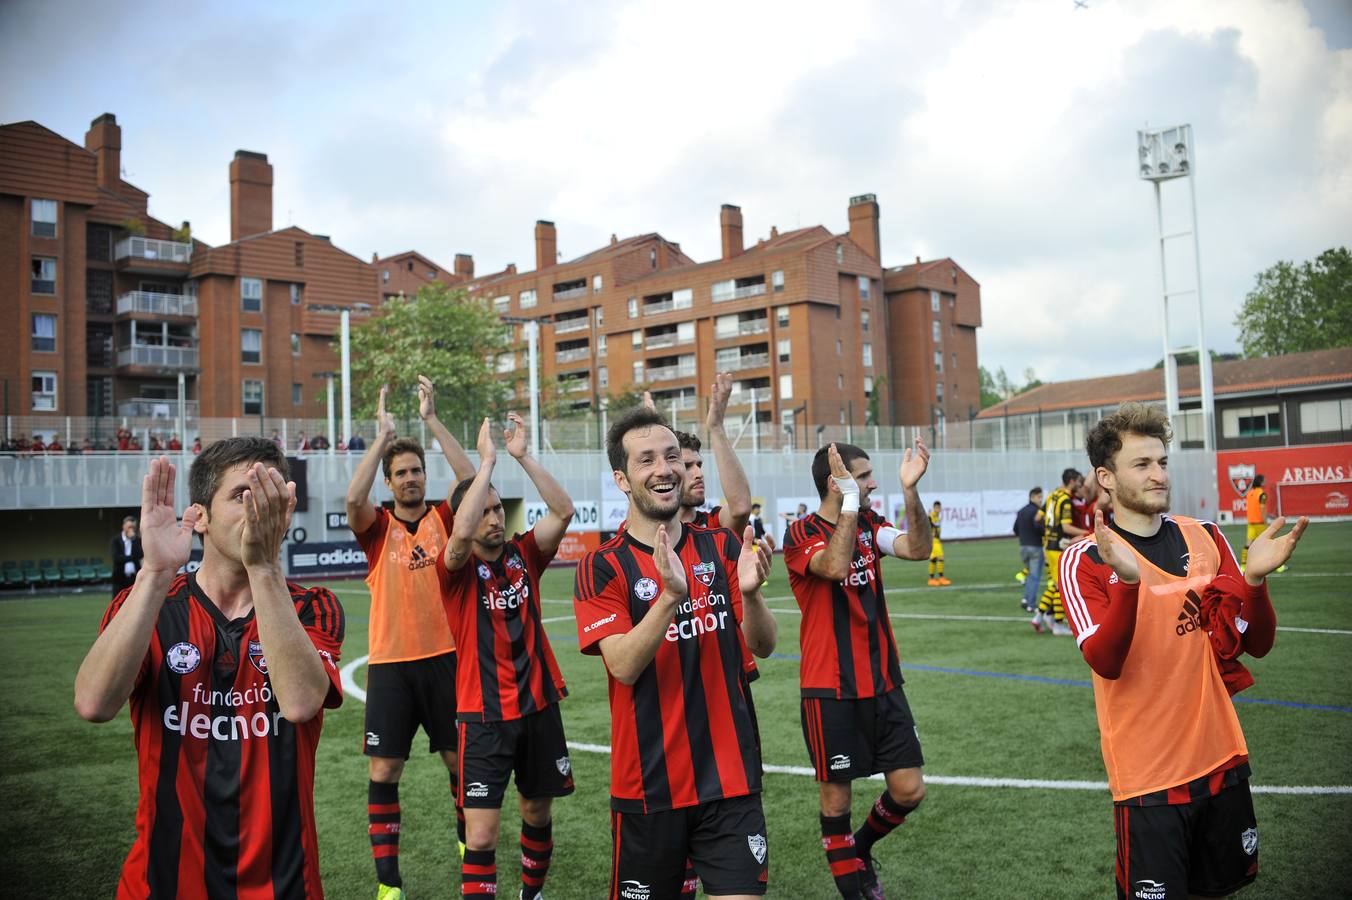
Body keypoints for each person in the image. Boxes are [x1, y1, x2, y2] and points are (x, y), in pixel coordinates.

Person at [74, 441, 345, 897]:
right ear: (200, 517)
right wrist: (155, 573)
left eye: (270, 493)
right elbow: (93, 703)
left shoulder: (313, 607)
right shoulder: (148, 606)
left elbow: (299, 704)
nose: (258, 505)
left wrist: (264, 569)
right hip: (161, 883)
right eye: (242, 493)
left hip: (284, 885)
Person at [1061, 402, 1306, 899]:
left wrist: (1255, 582)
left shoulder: (1207, 537)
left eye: (1162, 462)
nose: (1159, 475)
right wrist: (1128, 584)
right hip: (1148, 779)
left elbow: (1257, 644)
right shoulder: (1085, 561)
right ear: (1105, 478)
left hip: (1223, 758)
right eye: (1142, 464)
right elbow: (1105, 662)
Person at [573, 406, 777, 900]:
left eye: (671, 457)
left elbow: (763, 644)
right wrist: (669, 598)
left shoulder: (721, 546)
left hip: (730, 779)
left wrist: (750, 596)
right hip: (649, 788)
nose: (664, 469)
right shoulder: (601, 566)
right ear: (622, 479)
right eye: (646, 461)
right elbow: (622, 665)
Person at [783, 440, 933, 900]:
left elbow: (916, 548)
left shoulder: (870, 522)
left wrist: (911, 492)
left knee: (909, 791)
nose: (872, 483)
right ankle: (855, 887)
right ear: (838, 482)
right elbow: (834, 564)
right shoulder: (800, 532)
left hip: (884, 679)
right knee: (836, 803)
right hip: (831, 690)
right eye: (864, 476)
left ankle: (860, 849)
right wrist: (850, 502)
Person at [347, 377, 475, 900]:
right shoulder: (376, 528)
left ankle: (471, 842)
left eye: (416, 470)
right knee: (385, 768)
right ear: (390, 481)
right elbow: (353, 495)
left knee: (458, 762)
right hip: (391, 667)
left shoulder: (445, 517)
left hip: (447, 659)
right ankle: (389, 884)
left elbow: (471, 475)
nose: (410, 479)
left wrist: (430, 421)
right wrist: (383, 436)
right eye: (400, 473)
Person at [439, 414, 575, 900]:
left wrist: (521, 457)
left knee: (538, 815)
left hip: (539, 709)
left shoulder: (524, 554)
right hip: (483, 719)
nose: (495, 518)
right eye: (485, 510)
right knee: (481, 836)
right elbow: (457, 541)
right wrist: (486, 463)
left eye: (499, 509)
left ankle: (530, 894)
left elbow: (563, 511)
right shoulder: (454, 572)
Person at [1032, 468, 1087, 635]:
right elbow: (1066, 527)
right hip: (1058, 547)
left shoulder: (1052, 495)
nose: (1080, 484)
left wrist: (1049, 531)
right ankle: (1057, 624)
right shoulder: (1065, 500)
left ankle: (1040, 617)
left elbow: (1038, 518)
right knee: (1061, 587)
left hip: (1048, 545)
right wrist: (1088, 533)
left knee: (1055, 585)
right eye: (1078, 481)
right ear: (1071, 481)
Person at [1241, 475, 1286, 574]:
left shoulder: (1250, 493)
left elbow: (1254, 508)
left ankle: (1243, 566)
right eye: (1264, 480)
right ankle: (1278, 566)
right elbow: (1261, 509)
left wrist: (1268, 515)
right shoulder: (1262, 494)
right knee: (1270, 542)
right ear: (1261, 482)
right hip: (1260, 523)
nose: (1265, 481)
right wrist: (1266, 521)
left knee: (1248, 543)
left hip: (1251, 522)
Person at [1013, 488, 1045, 612]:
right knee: (1034, 577)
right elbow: (1038, 527)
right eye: (1039, 497)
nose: (1041, 499)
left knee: (1031, 574)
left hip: (1023, 547)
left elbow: (1015, 529)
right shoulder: (1037, 512)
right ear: (1032, 497)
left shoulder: (1021, 511)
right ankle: (1031, 604)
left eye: (1041, 497)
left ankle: (1025, 599)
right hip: (1035, 547)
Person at [110, 516, 143, 597]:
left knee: (135, 601)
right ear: (123, 526)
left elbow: (140, 555)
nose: (131, 529)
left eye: (133, 527)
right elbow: (116, 558)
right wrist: (132, 557)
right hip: (119, 578)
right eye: (129, 527)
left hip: (134, 578)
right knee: (118, 602)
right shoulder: (116, 540)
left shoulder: (137, 540)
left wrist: (133, 541)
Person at [926, 500, 949, 586]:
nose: (938, 509)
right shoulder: (931, 516)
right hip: (933, 540)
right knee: (941, 557)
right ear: (934, 508)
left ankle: (931, 579)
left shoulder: (937, 517)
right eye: (936, 507)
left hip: (937, 541)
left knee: (933, 559)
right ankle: (941, 578)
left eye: (939, 507)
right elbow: (928, 525)